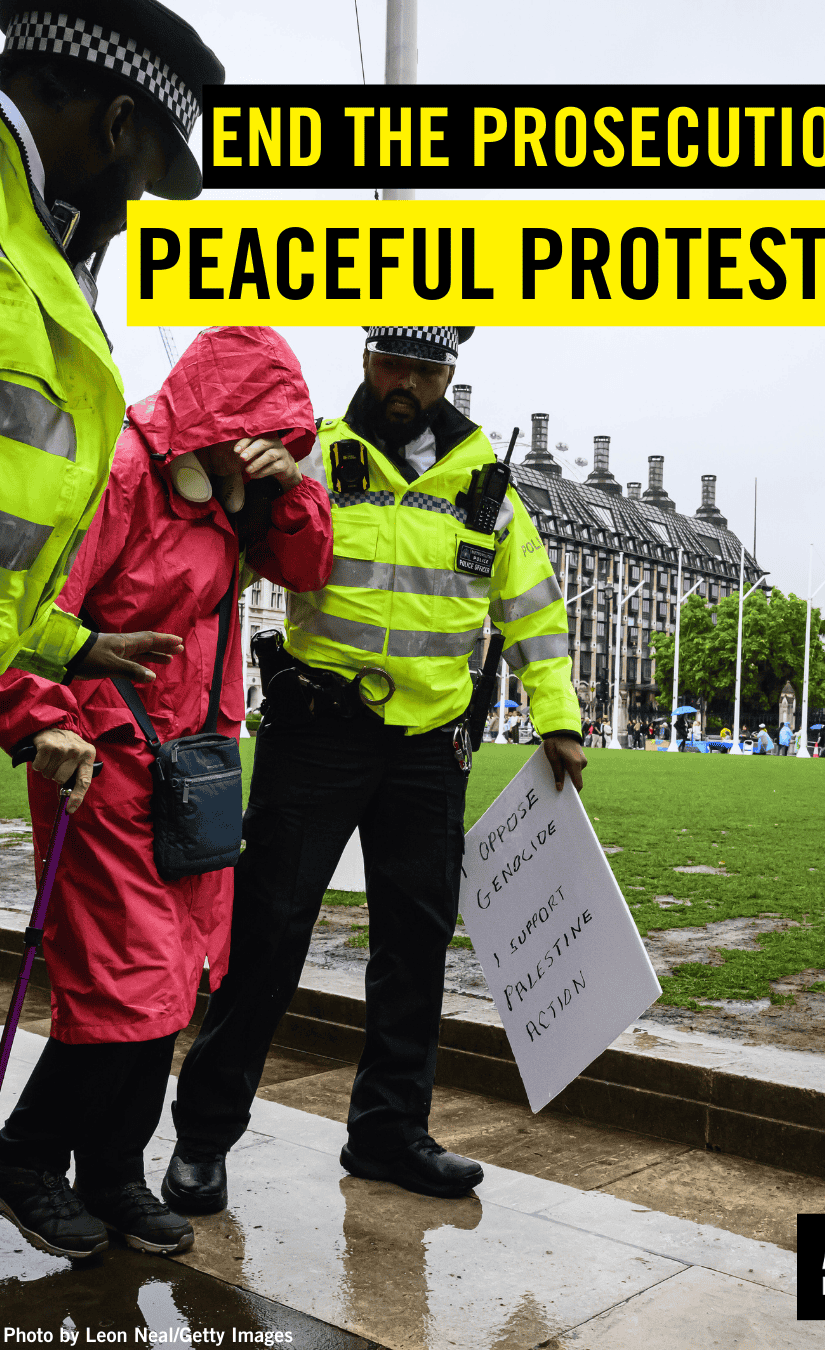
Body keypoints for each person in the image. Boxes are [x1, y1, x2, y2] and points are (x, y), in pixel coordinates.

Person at [165, 325, 587, 1213]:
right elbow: (228, 559)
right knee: (268, 936)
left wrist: (559, 720)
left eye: (428, 369)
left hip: (430, 747)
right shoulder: (310, 452)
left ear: (451, 373)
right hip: (318, 729)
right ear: (366, 359)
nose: (408, 383)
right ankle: (203, 1137)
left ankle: (390, 1134)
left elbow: (535, 610)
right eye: (394, 362)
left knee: (414, 948)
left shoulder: (488, 484)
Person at [0, 327, 333, 1261]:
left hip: (197, 771)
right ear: (213, 418)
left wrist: (288, 487)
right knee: (132, 982)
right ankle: (25, 1158)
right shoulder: (117, 475)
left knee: (178, 980)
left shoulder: (232, 493)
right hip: (100, 763)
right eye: (252, 430)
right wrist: (38, 717)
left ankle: (111, 1173)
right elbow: (25, 599)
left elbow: (307, 570)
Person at [0, 1, 224, 731]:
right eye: (142, 178)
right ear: (116, 123)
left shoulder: (30, 247)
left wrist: (68, 644)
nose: (132, 211)